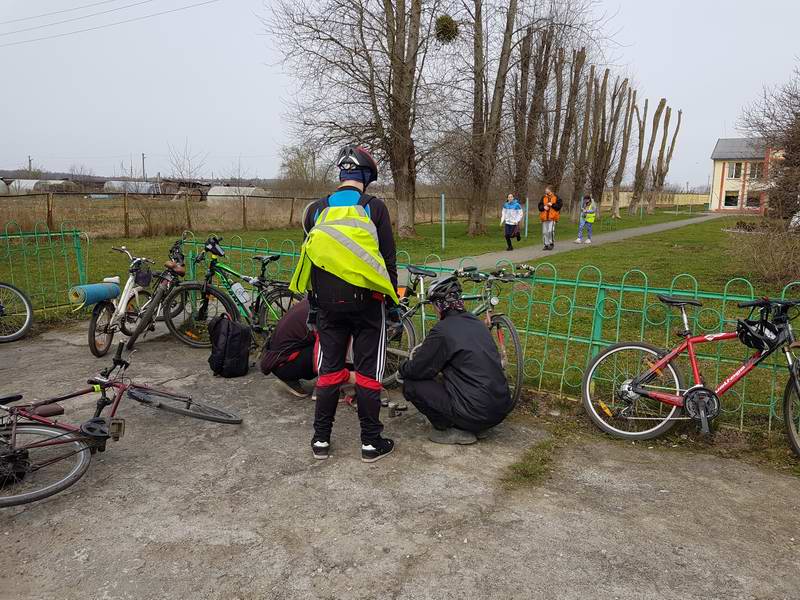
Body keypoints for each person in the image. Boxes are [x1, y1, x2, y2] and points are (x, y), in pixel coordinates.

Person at [289, 145, 400, 463]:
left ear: (342, 175)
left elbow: (314, 256)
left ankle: (320, 441)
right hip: (368, 304)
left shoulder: (315, 210)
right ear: (366, 176)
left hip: (325, 305)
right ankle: (370, 442)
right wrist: (393, 302)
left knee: (329, 371)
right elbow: (388, 261)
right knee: (367, 373)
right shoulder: (374, 208)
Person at [397, 277, 513, 445]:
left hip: (475, 412)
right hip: (499, 410)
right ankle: (478, 426)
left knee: (411, 384)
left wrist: (403, 367)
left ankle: (449, 429)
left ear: (438, 305)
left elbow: (418, 369)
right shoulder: (477, 323)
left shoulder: (442, 330)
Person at [259, 297, 316, 397]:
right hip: (282, 364)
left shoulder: (314, 301)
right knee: (330, 347)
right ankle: (325, 389)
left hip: (278, 358)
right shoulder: (322, 312)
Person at [538, 186, 562, 251]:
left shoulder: (556, 197)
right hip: (544, 218)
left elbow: (559, 206)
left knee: (550, 231)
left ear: (550, 190)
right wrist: (543, 207)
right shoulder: (543, 197)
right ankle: (546, 244)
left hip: (552, 217)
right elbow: (539, 206)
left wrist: (552, 204)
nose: (545, 190)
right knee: (545, 232)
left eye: (547, 189)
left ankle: (551, 243)